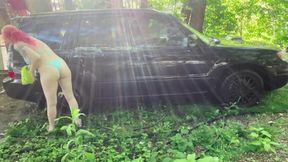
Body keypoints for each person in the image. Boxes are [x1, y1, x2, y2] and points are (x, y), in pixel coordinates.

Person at [1, 25, 81, 131]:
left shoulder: (18, 45)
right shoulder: (31, 39)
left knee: (51, 102)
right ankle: (77, 120)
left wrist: (31, 71)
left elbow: (36, 58)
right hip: (59, 63)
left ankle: (51, 127)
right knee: (70, 97)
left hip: (48, 69)